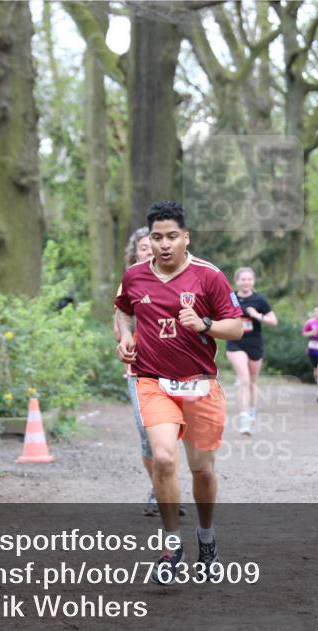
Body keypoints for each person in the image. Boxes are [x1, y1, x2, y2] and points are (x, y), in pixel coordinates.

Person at [114, 200, 243, 584]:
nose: (165, 244)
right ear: (148, 240)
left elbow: (235, 328)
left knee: (201, 470)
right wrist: (124, 336)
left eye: (172, 236)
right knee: (164, 459)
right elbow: (122, 309)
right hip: (152, 380)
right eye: (157, 237)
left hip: (199, 383)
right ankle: (171, 546)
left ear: (186, 238)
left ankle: (206, 538)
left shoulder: (209, 276)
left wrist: (204, 325)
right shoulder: (135, 276)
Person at [113, 228, 186, 518]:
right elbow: (118, 324)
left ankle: (168, 490)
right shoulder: (130, 283)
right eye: (143, 247)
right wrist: (125, 340)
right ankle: (158, 487)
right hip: (140, 370)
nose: (149, 251)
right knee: (147, 436)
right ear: (136, 252)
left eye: (152, 245)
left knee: (170, 435)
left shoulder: (178, 278)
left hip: (178, 370)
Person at [225, 267, 278, 435]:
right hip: (235, 343)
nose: (246, 282)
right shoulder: (231, 297)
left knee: (252, 383)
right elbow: (220, 314)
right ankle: (244, 420)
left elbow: (273, 320)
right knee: (244, 380)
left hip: (254, 344)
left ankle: (252, 411)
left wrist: (257, 315)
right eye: (243, 279)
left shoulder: (260, 300)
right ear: (237, 281)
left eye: (249, 279)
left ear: (253, 282)